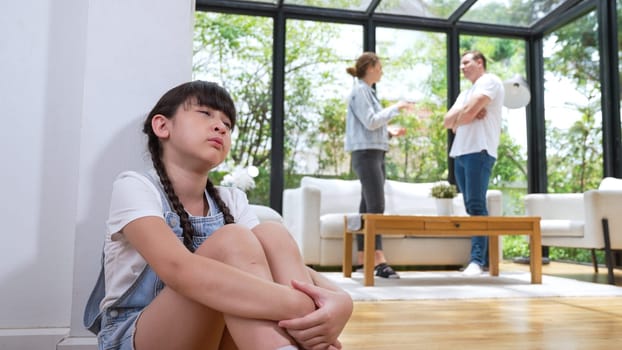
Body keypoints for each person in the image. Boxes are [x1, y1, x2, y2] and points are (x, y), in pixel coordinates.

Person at [83, 81, 353, 350]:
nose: (221, 126)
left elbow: (278, 261)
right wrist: (304, 308)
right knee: (232, 239)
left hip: (214, 336)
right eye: (205, 113)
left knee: (273, 234)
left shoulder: (231, 199)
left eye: (227, 124)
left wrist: (342, 301)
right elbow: (178, 270)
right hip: (138, 336)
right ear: (162, 126)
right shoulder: (135, 186)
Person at [344, 52, 414, 279]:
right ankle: (379, 260)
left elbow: (371, 125)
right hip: (366, 154)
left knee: (367, 208)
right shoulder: (360, 91)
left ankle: (364, 259)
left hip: (373, 152)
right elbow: (372, 121)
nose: (382, 71)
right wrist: (396, 107)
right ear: (371, 67)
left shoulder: (367, 91)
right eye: (380, 66)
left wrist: (390, 133)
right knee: (376, 207)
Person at [443, 50, 505, 276]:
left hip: (479, 150)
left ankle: (477, 261)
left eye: (466, 62)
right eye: (461, 64)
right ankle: (484, 260)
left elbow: (465, 117)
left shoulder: (490, 81)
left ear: (480, 62)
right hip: (460, 152)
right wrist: (465, 112)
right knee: (471, 206)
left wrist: (464, 115)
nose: (462, 67)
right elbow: (447, 121)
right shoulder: (465, 93)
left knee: (477, 205)